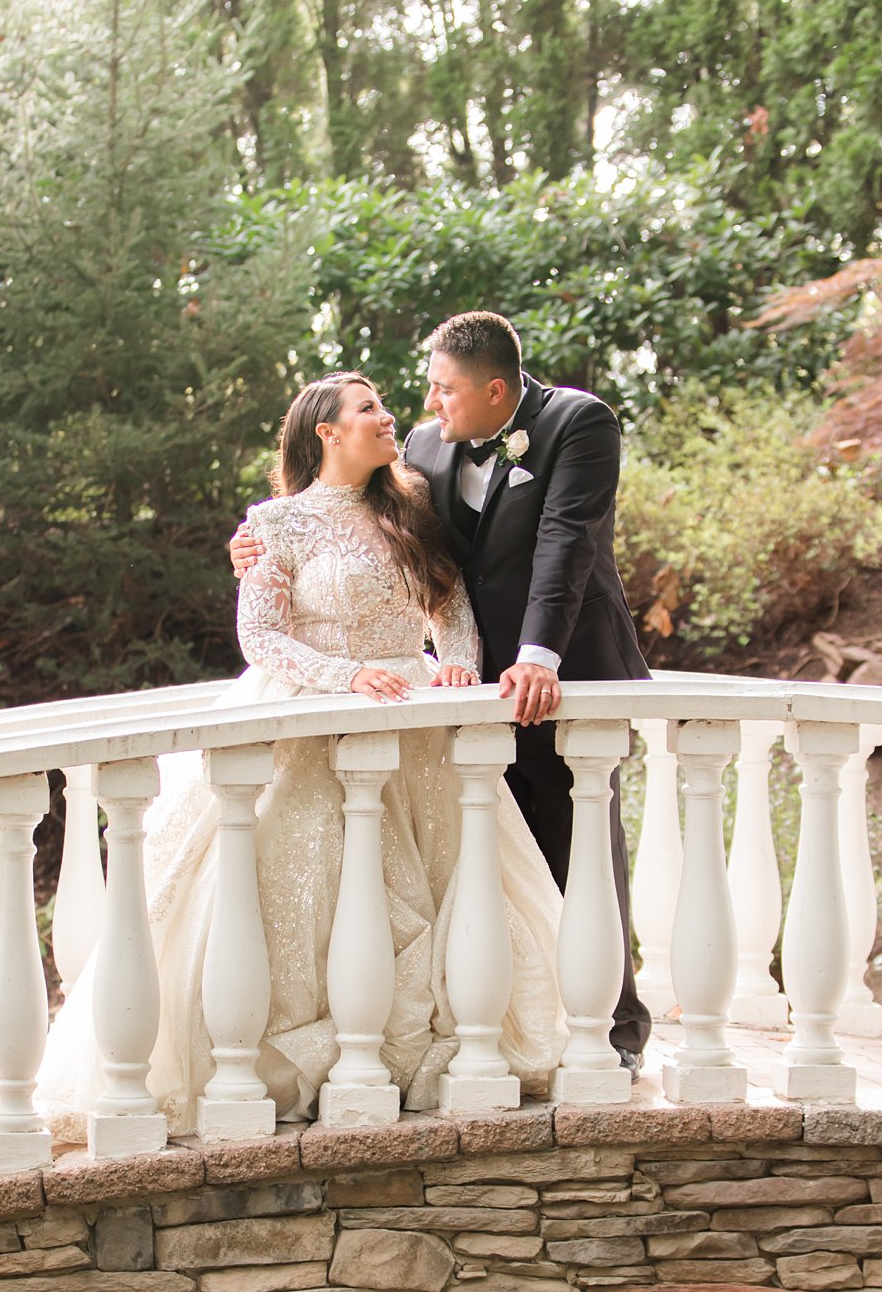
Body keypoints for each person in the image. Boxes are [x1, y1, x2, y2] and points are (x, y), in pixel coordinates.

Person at [36, 371, 564, 1141]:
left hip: (413, 719)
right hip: (319, 716)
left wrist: (455, 661)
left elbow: (447, 604)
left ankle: (409, 1049)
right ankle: (291, 1057)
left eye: (385, 404)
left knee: (444, 877)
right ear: (325, 430)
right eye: (368, 409)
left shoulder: (409, 503)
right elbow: (261, 637)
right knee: (298, 875)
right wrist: (346, 676)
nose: (388, 418)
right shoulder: (275, 524)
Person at [234, 312, 651, 1070]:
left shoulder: (576, 423)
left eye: (441, 390)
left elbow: (564, 542)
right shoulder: (419, 457)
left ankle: (611, 1027)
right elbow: (446, 574)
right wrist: (255, 549)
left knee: (575, 847)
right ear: (325, 432)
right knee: (470, 868)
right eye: (407, 395)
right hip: (455, 702)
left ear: (496, 389)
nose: (422, 406)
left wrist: (527, 654)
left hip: (555, 675)